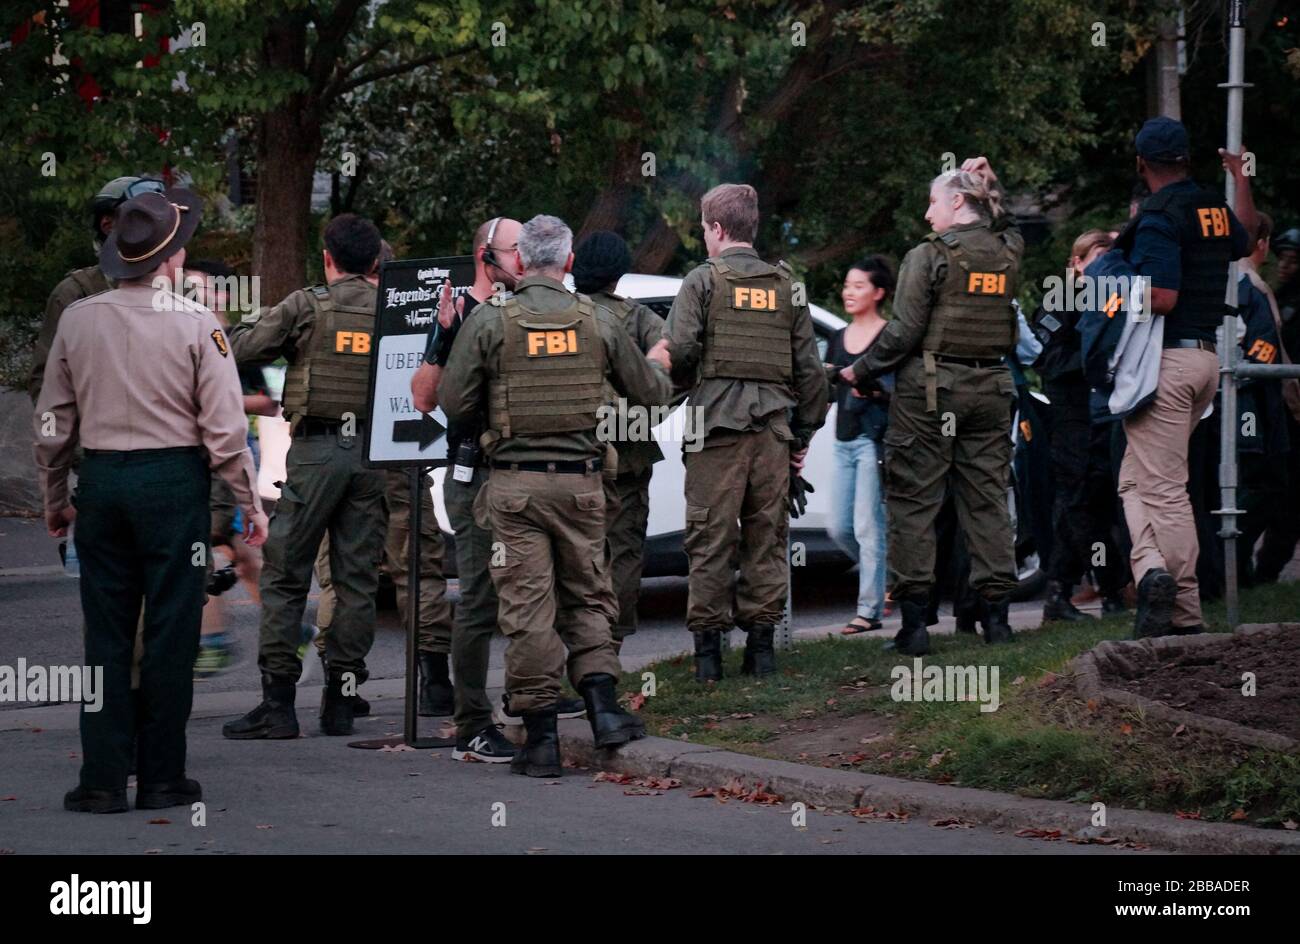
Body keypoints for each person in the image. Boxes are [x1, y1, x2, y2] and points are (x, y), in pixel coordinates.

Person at [33, 187, 267, 813]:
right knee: (169, 632)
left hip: (103, 484)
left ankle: (102, 779)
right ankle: (163, 775)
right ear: (171, 259)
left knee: (105, 637)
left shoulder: (79, 320)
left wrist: (55, 497)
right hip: (173, 486)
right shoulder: (198, 325)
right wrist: (251, 505)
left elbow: (52, 421)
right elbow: (224, 432)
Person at [437, 214, 673, 777]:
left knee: (527, 612)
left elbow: (452, 401)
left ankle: (541, 742)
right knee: (589, 597)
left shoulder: (492, 320)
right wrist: (658, 364)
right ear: (568, 263)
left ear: (519, 262)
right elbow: (652, 394)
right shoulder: (598, 319)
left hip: (514, 488)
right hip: (584, 485)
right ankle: (605, 712)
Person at [842, 157, 1022, 654]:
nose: (927, 214)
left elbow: (902, 332)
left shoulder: (929, 255)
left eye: (933, 202)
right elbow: (1005, 218)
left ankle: (915, 626)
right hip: (991, 389)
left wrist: (860, 369)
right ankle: (998, 620)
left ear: (956, 202)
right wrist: (990, 181)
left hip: (931, 392)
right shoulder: (1008, 250)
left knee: (914, 503)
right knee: (987, 501)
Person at [222, 213, 387, 739]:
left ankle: (278, 705)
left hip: (317, 452)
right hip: (374, 455)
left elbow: (241, 349)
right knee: (357, 580)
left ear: (327, 258)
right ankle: (341, 702)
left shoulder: (307, 305)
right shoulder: (394, 309)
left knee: (286, 573)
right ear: (377, 262)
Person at [666, 184, 828, 681]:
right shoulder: (787, 286)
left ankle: (708, 659)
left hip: (716, 430)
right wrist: (799, 437)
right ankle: (761, 654)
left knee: (710, 539)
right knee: (767, 539)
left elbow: (680, 352)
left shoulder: (702, 281)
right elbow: (812, 375)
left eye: (703, 228)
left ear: (717, 230)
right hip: (773, 435)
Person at [1112, 117, 1255, 636]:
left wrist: (1105, 290)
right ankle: (1152, 574)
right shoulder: (1211, 207)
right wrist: (1240, 179)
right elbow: (1244, 239)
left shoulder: (1158, 215)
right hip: (1204, 362)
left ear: (1141, 164)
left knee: (1166, 490)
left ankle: (1186, 615)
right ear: (1187, 160)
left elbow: (1163, 296)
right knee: (1135, 480)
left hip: (1166, 364)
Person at [309, 240, 455, 719]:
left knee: (343, 578)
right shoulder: (424, 311)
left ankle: (342, 688)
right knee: (419, 570)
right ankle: (434, 683)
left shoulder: (324, 310)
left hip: (346, 457)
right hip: (406, 459)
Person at [572, 230, 668, 652]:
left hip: (566, 450)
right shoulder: (638, 319)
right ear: (618, 273)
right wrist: (647, 411)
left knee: (569, 552)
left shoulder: (557, 314)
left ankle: (573, 648)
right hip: (625, 447)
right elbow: (675, 363)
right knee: (623, 550)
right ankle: (607, 648)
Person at [1031, 229, 1128, 621]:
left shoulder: (1112, 297)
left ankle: (1060, 591)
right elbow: (1048, 359)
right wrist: (1095, 362)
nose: (1102, 268)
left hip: (1104, 415)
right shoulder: (1063, 297)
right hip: (1072, 416)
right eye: (1095, 260)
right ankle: (1109, 587)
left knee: (1090, 506)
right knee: (1079, 506)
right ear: (1076, 263)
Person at [186, 259, 277, 678]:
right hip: (198, 453)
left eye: (206, 288)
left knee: (212, 542)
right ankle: (286, 631)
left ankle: (215, 642)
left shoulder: (237, 341)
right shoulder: (185, 336)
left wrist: (220, 400)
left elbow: (271, 400)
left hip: (235, 450)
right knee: (234, 551)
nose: (201, 296)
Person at [28, 175, 166, 403]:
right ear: (108, 225)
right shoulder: (75, 293)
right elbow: (45, 382)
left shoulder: (176, 287)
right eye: (140, 216)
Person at [824, 256, 895, 634]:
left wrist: (876, 390)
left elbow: (903, 392)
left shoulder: (889, 337)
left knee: (869, 527)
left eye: (859, 286)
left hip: (874, 441)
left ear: (879, 292)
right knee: (839, 527)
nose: (849, 293)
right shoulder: (837, 338)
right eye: (847, 285)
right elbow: (825, 392)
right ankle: (885, 574)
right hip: (843, 440)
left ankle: (868, 611)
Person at [1254, 226, 1300, 583]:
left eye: (1293, 260)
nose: (1285, 266)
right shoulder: (1276, 296)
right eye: (1282, 258)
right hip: (1287, 409)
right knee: (1282, 494)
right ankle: (1265, 570)